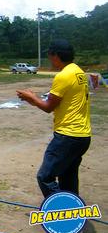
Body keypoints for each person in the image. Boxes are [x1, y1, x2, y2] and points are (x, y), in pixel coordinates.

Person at [17, 39, 91, 198]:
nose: (49, 59)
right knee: (68, 178)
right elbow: (59, 104)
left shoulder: (63, 76)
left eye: (50, 55)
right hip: (82, 136)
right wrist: (32, 99)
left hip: (67, 136)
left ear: (56, 55)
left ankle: (61, 209)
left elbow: (48, 108)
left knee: (45, 176)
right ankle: (73, 215)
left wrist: (32, 96)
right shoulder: (78, 72)